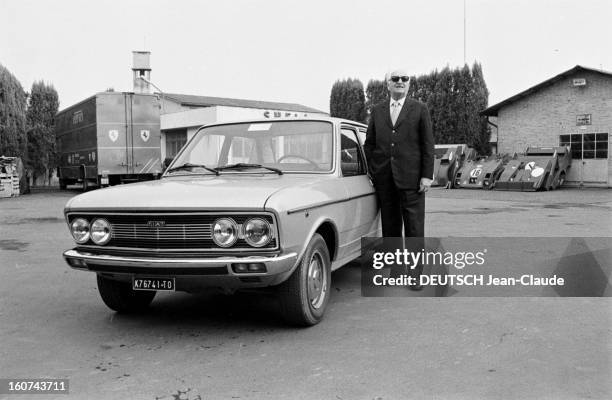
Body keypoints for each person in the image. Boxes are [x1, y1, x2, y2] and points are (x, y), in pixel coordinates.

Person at [364, 68, 434, 290]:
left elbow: (427, 145)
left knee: (414, 229)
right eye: (395, 79)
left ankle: (415, 277)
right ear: (387, 84)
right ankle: (396, 272)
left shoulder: (419, 109)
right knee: (391, 229)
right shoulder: (377, 110)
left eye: (405, 79)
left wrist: (426, 176)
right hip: (385, 180)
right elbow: (370, 144)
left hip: (413, 182)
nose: (400, 82)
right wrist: (375, 171)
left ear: (409, 83)